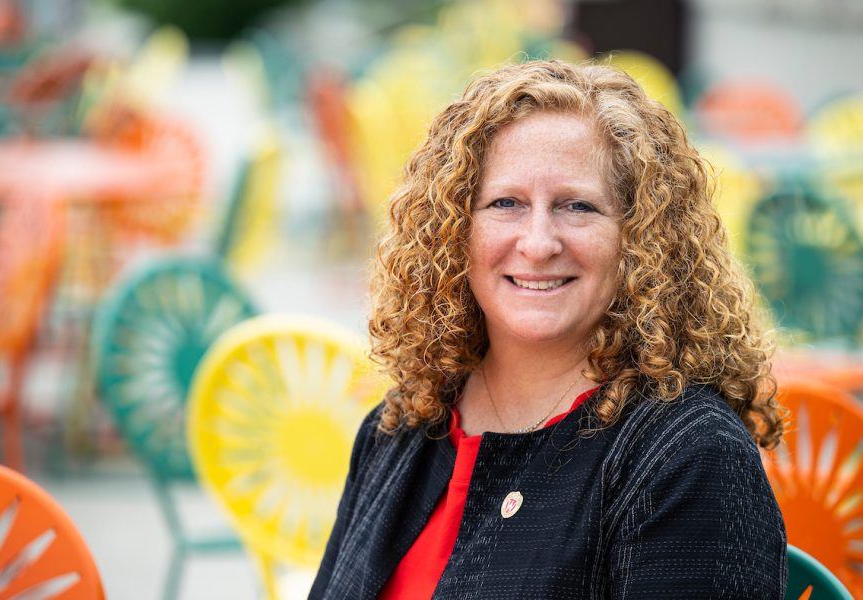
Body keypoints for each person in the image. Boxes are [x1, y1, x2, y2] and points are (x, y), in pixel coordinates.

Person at [310, 59, 787, 599]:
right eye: (505, 203)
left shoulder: (689, 457)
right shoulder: (403, 424)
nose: (538, 243)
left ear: (641, 238)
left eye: (578, 206)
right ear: (452, 231)